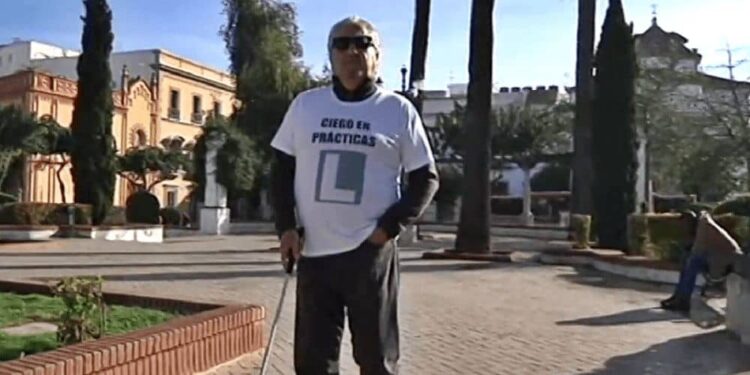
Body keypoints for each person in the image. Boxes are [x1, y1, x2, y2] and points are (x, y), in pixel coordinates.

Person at [270, 16, 440, 375]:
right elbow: (281, 170)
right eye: (342, 44)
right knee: (313, 363)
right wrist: (286, 227)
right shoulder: (305, 106)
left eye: (362, 44)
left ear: (377, 56)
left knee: (377, 361)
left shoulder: (397, 110)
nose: (352, 51)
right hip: (314, 254)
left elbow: (426, 178)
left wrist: (387, 230)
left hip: (370, 255)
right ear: (331, 55)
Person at [661, 210, 741, 312]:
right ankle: (678, 296)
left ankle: (683, 300)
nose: (683, 228)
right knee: (687, 260)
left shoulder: (704, 228)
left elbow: (697, 250)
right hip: (715, 257)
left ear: (690, 222)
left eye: (684, 225)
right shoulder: (699, 225)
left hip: (727, 260)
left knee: (692, 263)